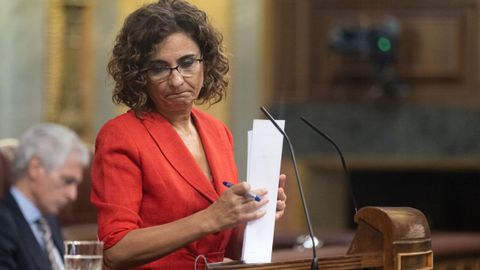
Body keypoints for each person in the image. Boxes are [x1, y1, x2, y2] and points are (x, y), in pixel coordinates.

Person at [90, 0, 287, 269]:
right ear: (139, 75)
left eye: (187, 63)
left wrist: (253, 215)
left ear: (206, 62)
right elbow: (116, 250)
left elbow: (220, 243)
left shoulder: (218, 132)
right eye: (159, 68)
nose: (177, 80)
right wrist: (211, 218)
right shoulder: (121, 135)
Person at [0, 123, 90, 270]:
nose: (73, 195)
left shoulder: (48, 220)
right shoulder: (4, 224)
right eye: (67, 181)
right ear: (35, 168)